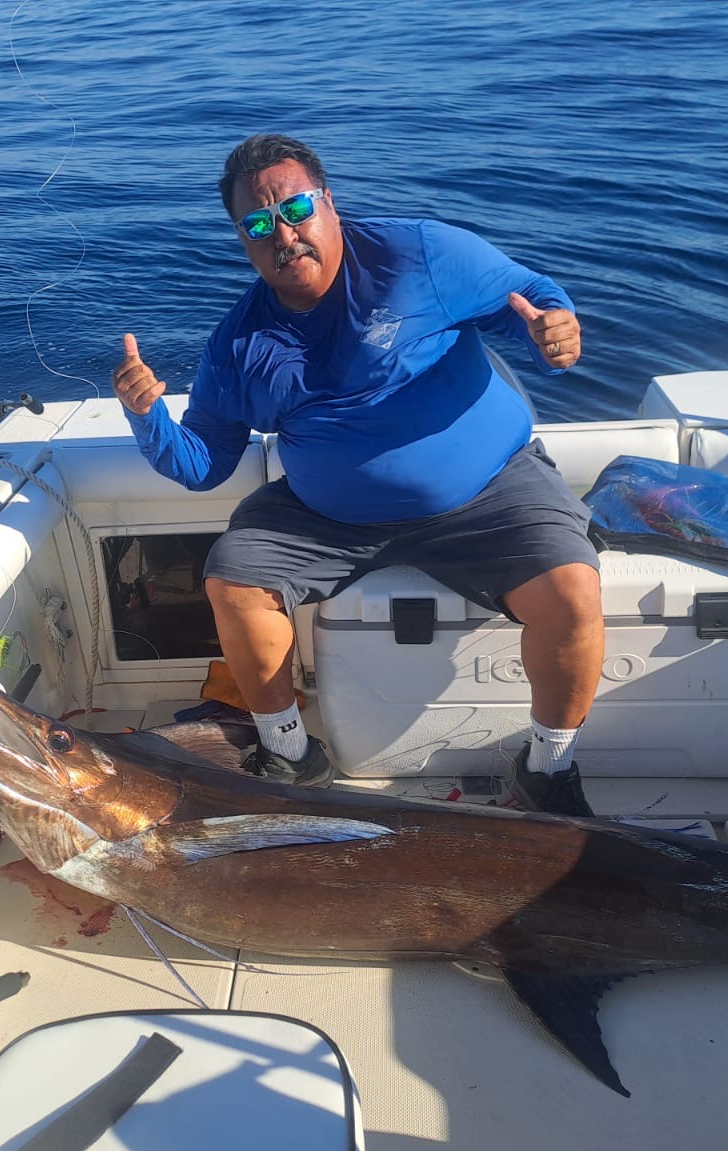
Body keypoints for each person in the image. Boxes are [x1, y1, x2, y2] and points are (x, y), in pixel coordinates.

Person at [113, 134, 604, 817]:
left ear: (329, 203)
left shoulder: (420, 254)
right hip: (328, 518)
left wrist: (554, 333)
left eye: (295, 209)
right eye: (257, 224)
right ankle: (290, 754)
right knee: (232, 581)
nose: (283, 234)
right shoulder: (239, 343)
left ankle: (548, 769)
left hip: (491, 489)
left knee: (573, 593)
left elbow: (530, 298)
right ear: (241, 239)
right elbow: (203, 464)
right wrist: (146, 417)